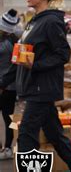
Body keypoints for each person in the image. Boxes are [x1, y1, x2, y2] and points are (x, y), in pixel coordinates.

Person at [0, 0, 71, 170]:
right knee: (55, 135)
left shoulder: (51, 22)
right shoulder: (34, 22)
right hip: (34, 88)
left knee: (26, 135)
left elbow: (63, 54)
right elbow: (20, 59)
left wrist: (36, 65)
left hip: (41, 89)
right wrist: (3, 82)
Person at [0, 9, 21, 160]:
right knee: (10, 119)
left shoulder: (4, 43)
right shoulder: (16, 41)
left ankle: (5, 147)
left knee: (9, 119)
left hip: (4, 86)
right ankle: (8, 147)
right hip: (11, 87)